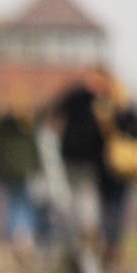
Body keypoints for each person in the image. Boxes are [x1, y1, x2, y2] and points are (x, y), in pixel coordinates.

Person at [49, 65, 111, 243]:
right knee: (75, 195)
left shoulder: (105, 101)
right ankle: (77, 231)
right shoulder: (76, 96)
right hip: (72, 156)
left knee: (88, 194)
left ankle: (88, 229)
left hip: (93, 159)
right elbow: (54, 110)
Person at [94, 76, 137, 266]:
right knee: (116, 206)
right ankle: (113, 243)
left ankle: (111, 242)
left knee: (110, 206)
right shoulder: (128, 113)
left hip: (114, 167)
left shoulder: (107, 113)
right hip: (117, 168)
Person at [0, 90, 42, 265]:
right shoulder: (29, 125)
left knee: (12, 204)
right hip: (25, 170)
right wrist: (37, 168)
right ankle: (25, 239)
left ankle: (14, 240)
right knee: (25, 204)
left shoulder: (2, 126)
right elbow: (35, 149)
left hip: (8, 171)